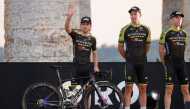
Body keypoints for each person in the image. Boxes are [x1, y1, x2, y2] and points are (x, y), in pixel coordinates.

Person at [118, 6, 151, 109]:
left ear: (140, 15)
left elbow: (147, 46)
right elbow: (120, 47)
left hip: (142, 62)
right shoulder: (125, 29)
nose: (133, 16)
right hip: (130, 63)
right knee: (128, 88)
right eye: (131, 14)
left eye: (135, 14)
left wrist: (141, 55)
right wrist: (128, 57)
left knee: (143, 88)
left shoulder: (146, 29)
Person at [159, 11, 190, 109]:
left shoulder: (185, 34)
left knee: (185, 90)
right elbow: (161, 50)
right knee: (169, 89)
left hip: (181, 64)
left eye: (181, 17)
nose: (179, 19)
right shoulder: (166, 33)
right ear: (172, 19)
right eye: (177, 17)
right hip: (170, 64)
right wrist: (165, 63)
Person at [65, 3, 99, 85]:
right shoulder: (76, 35)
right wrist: (69, 17)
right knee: (73, 89)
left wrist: (96, 66)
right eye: (83, 24)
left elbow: (95, 54)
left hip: (87, 67)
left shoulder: (92, 39)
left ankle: (86, 98)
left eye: (87, 24)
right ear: (80, 25)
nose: (85, 26)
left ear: (90, 26)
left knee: (88, 90)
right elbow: (67, 29)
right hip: (76, 67)